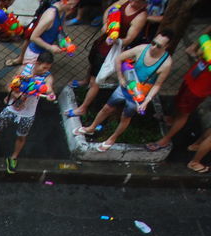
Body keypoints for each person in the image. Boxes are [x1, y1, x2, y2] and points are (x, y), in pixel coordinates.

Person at [75, 31, 174, 152]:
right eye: (153, 43)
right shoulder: (142, 49)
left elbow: (157, 85)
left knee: (125, 117)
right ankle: (92, 127)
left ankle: (112, 138)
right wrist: (120, 77)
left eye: (158, 46)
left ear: (166, 46)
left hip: (139, 94)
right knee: (107, 108)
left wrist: (146, 101)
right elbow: (119, 58)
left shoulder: (166, 63)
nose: (153, 47)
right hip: (127, 85)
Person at [0, 52, 55, 174]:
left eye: (48, 68)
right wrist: (17, 95)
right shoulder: (24, 69)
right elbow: (9, 86)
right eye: (44, 67)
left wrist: (50, 94)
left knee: (21, 136)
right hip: (12, 107)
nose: (46, 70)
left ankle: (13, 157)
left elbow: (49, 89)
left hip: (28, 112)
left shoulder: (47, 77)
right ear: (37, 63)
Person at [72, 0, 148, 119]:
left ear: (144, 4)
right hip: (102, 42)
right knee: (93, 64)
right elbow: (109, 10)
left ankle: (83, 108)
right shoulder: (124, 1)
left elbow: (129, 38)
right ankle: (85, 81)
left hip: (111, 49)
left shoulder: (141, 16)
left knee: (96, 80)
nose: (132, 3)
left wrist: (115, 40)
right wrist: (105, 24)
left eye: (137, 2)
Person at [146, 24, 211, 152]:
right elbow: (204, 39)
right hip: (193, 77)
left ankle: (166, 140)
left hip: (199, 88)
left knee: (184, 113)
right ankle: (171, 119)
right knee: (179, 101)